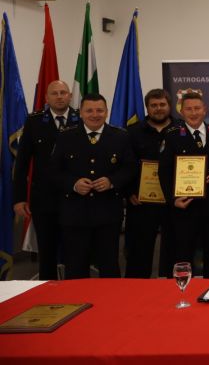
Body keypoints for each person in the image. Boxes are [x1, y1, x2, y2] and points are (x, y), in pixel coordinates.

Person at [51, 93, 135, 279]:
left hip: (108, 213)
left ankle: (110, 299)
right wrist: (73, 184)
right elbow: (54, 171)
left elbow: (130, 168)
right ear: (80, 112)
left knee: (109, 266)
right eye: (89, 110)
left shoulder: (121, 136)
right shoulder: (66, 136)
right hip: (75, 214)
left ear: (107, 112)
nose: (95, 115)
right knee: (75, 267)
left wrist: (112, 181)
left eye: (99, 110)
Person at [12, 80, 80, 280]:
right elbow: (22, 163)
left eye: (63, 92)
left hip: (76, 197)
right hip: (44, 198)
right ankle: (48, 289)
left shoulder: (81, 118)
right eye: (54, 93)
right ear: (46, 98)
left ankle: (75, 289)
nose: (59, 97)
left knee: (75, 251)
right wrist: (19, 198)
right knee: (47, 252)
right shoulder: (34, 121)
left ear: (70, 96)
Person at [159, 92, 209, 279]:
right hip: (184, 205)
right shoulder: (172, 135)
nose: (193, 112)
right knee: (182, 255)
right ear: (181, 112)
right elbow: (164, 172)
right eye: (188, 109)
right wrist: (173, 200)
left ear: (205, 110)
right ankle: (182, 291)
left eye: (197, 108)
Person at [124, 89, 178, 278]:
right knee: (138, 253)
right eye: (153, 105)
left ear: (169, 106)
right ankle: (137, 291)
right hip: (142, 203)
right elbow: (125, 165)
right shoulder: (132, 132)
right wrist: (129, 191)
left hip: (173, 202)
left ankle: (175, 290)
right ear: (147, 107)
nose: (158, 108)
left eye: (162, 104)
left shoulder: (181, 130)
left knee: (175, 252)